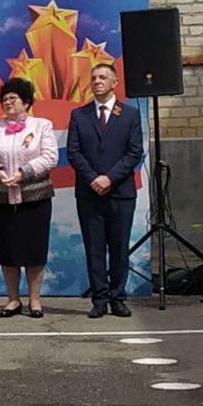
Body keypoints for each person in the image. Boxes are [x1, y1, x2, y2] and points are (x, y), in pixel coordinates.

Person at [0, 77, 58, 318]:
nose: (9, 102)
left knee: (35, 249)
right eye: (5, 99)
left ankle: (35, 300)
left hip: (35, 196)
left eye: (14, 98)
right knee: (7, 249)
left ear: (26, 102)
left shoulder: (42, 126)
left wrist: (23, 173)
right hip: (0, 198)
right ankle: (12, 299)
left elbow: (50, 156)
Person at [66, 63, 145, 319]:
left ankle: (118, 297)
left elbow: (134, 152)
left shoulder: (130, 114)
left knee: (119, 247)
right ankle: (99, 299)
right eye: (94, 77)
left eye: (103, 77)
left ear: (114, 83)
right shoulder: (80, 115)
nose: (97, 81)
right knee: (95, 247)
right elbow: (74, 152)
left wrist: (109, 178)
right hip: (90, 193)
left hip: (121, 192)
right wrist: (94, 179)